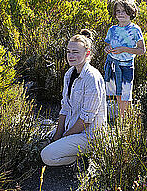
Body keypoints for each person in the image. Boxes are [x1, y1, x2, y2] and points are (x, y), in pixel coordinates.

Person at [40, 29, 107, 166]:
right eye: (69, 51)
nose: (70, 55)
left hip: (89, 135)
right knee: (42, 140)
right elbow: (65, 108)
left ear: (87, 53)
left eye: (75, 52)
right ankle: (68, 149)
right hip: (72, 128)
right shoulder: (70, 73)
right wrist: (57, 135)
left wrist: (64, 137)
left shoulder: (92, 77)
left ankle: (82, 158)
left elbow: (86, 119)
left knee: (47, 156)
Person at [104, 0, 146, 117]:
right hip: (112, 64)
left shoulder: (135, 30)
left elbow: (142, 50)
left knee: (126, 94)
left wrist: (124, 49)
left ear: (131, 12)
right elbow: (108, 44)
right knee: (117, 92)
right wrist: (107, 49)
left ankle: (125, 120)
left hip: (126, 67)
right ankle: (121, 117)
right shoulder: (112, 29)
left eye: (124, 11)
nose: (121, 14)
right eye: (118, 11)